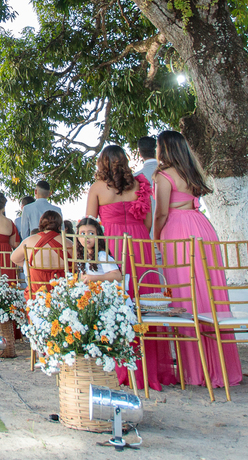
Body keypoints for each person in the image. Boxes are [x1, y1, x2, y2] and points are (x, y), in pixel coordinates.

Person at [153, 130, 242, 388]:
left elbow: (160, 213)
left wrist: (156, 238)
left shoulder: (163, 175)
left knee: (186, 293)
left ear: (164, 148)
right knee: (210, 292)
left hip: (178, 230)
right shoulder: (192, 172)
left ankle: (197, 369)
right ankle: (221, 366)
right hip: (202, 227)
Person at [87, 144, 176, 390]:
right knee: (144, 302)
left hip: (114, 245)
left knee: (117, 300)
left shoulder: (97, 188)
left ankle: (122, 366)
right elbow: (147, 221)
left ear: (102, 163)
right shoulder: (140, 185)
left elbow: (90, 225)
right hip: (139, 244)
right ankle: (149, 367)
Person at [11, 210, 78, 294]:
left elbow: (14, 258)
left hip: (37, 293)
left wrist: (30, 266)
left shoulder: (29, 241)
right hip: (62, 293)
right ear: (59, 225)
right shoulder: (69, 243)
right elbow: (76, 266)